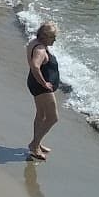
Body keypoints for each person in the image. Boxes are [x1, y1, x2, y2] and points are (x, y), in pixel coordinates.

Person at [26, 21, 61, 161]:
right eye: (53, 37)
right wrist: (44, 83)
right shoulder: (40, 50)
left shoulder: (34, 42)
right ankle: (34, 145)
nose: (55, 40)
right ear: (45, 36)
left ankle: (37, 142)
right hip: (41, 87)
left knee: (41, 115)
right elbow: (35, 66)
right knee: (53, 118)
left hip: (35, 84)